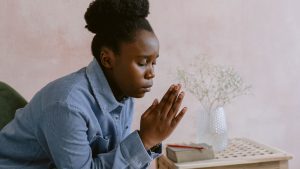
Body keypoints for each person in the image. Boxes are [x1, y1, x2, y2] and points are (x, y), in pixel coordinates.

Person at [0, 0, 187, 168]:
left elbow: (117, 163)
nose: (151, 73)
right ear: (107, 59)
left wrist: (149, 139)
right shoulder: (67, 105)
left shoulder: (124, 96)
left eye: (154, 62)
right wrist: (145, 140)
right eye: (142, 62)